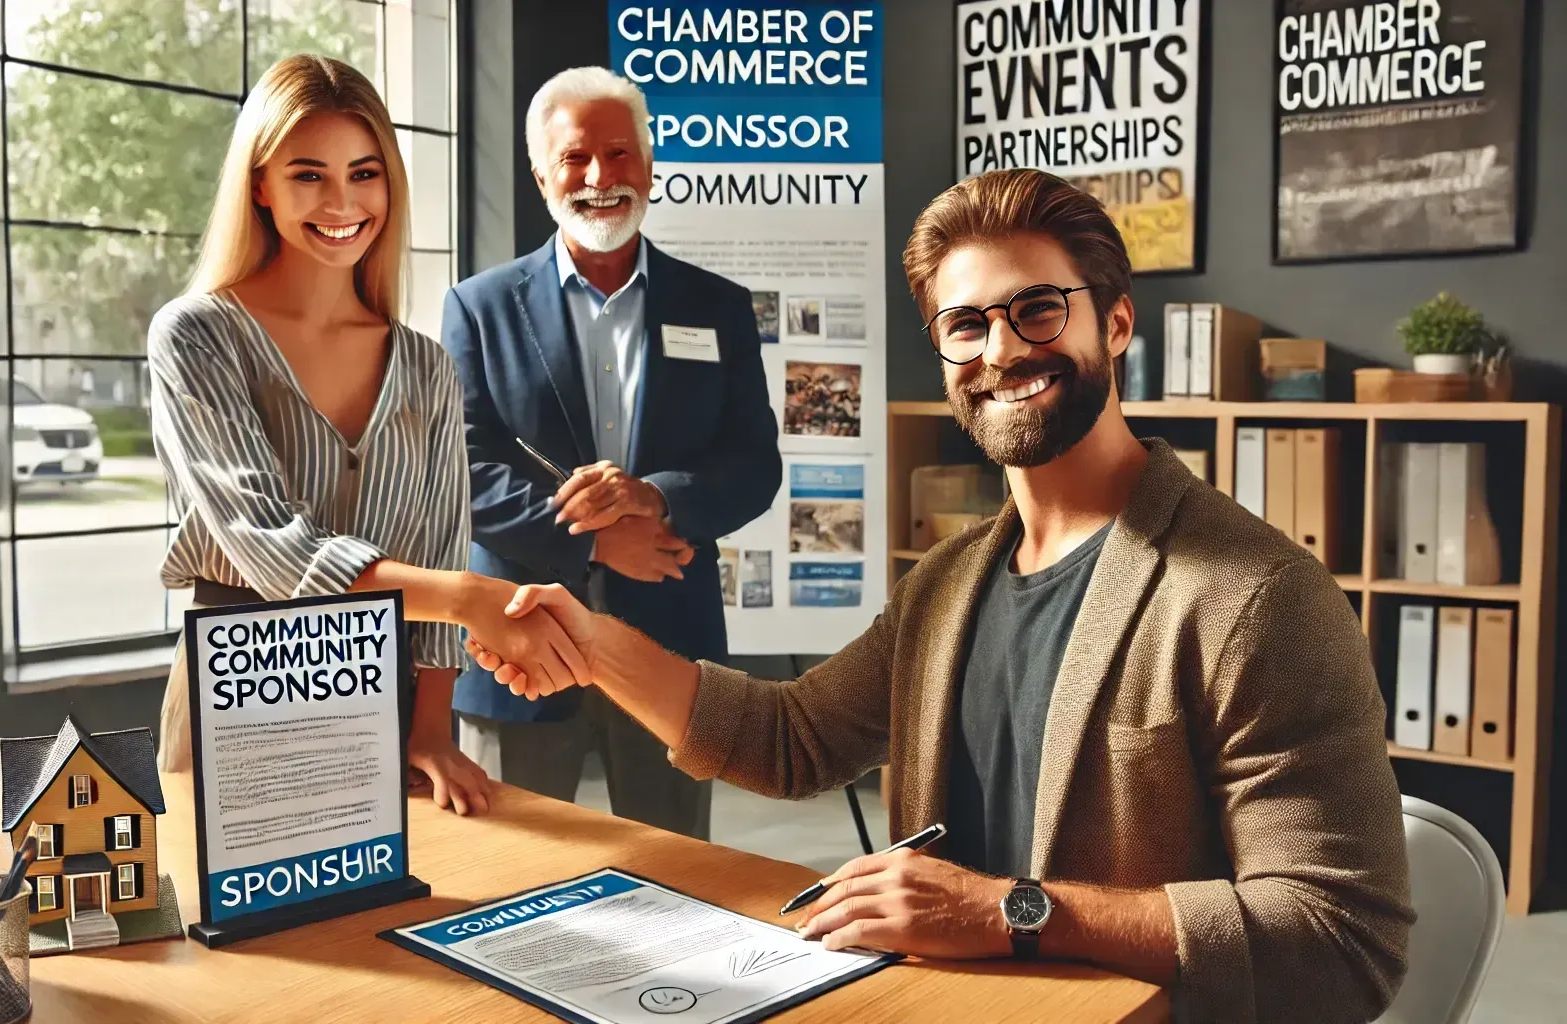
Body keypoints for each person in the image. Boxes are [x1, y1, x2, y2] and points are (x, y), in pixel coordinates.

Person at [469, 169, 1414, 1022]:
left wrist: (1007, 911)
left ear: (1116, 323)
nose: (1001, 350)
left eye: (1038, 310)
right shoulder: (946, 586)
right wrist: (589, 642)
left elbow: (1340, 942)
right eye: (966, 324)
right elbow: (788, 737)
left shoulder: (1259, 597)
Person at [146, 55, 591, 815]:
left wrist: (430, 730)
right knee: (245, 929)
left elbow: (444, 540)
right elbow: (275, 550)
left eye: (365, 172)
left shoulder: (423, 365)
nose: (343, 200)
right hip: (235, 692)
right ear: (260, 184)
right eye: (309, 175)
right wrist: (467, 598)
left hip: (382, 699)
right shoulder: (196, 336)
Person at [439, 67, 780, 841]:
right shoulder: (478, 306)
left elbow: (755, 464)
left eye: (620, 154)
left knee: (678, 872)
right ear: (541, 175)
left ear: (651, 164)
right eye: (576, 159)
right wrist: (594, 538)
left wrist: (652, 499)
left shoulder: (719, 307)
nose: (601, 178)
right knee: (508, 869)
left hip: (670, 645)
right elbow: (462, 468)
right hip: (519, 646)